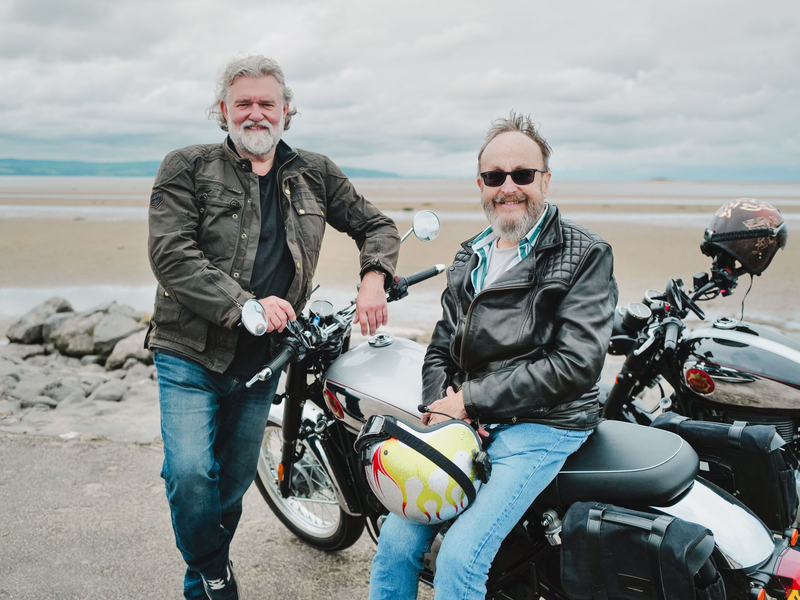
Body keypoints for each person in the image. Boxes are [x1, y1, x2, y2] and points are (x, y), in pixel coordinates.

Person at [146, 55, 400, 600]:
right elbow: (171, 254)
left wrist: (374, 277)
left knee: (233, 486)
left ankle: (207, 577)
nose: (256, 114)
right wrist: (244, 305)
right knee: (190, 477)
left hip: (262, 362)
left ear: (287, 111)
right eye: (244, 103)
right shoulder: (185, 166)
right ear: (223, 111)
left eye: (267, 103)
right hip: (188, 352)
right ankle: (213, 574)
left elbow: (374, 223)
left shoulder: (315, 172)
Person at [368, 112, 617, 599]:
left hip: (544, 424)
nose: (509, 187)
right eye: (494, 176)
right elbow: (442, 345)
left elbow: (577, 364)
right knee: (395, 543)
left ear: (544, 180)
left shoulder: (585, 253)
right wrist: (440, 409)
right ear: (479, 183)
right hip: (468, 420)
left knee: (462, 557)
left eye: (522, 175)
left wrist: (470, 403)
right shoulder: (470, 255)